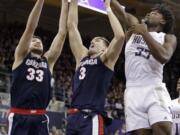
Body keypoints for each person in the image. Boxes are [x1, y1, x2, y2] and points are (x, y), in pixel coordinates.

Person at [111, 0, 177, 135]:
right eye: (150, 12)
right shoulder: (134, 28)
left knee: (163, 129)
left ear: (163, 21)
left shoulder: (168, 37)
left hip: (153, 87)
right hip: (132, 91)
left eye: (155, 13)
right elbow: (119, 10)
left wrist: (145, 34)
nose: (149, 13)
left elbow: (164, 56)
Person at [8, 0, 68, 134]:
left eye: (39, 41)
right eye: (33, 40)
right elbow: (30, 27)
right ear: (27, 45)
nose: (37, 41)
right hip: (19, 115)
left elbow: (62, 33)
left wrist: (65, 3)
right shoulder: (21, 56)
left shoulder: (48, 61)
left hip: (40, 117)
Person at [66, 0, 125, 134]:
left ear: (105, 49)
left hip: (91, 116)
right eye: (92, 41)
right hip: (73, 115)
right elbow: (71, 25)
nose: (93, 41)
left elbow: (120, 36)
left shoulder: (106, 59)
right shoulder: (82, 57)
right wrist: (74, 3)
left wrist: (108, 8)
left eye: (98, 41)